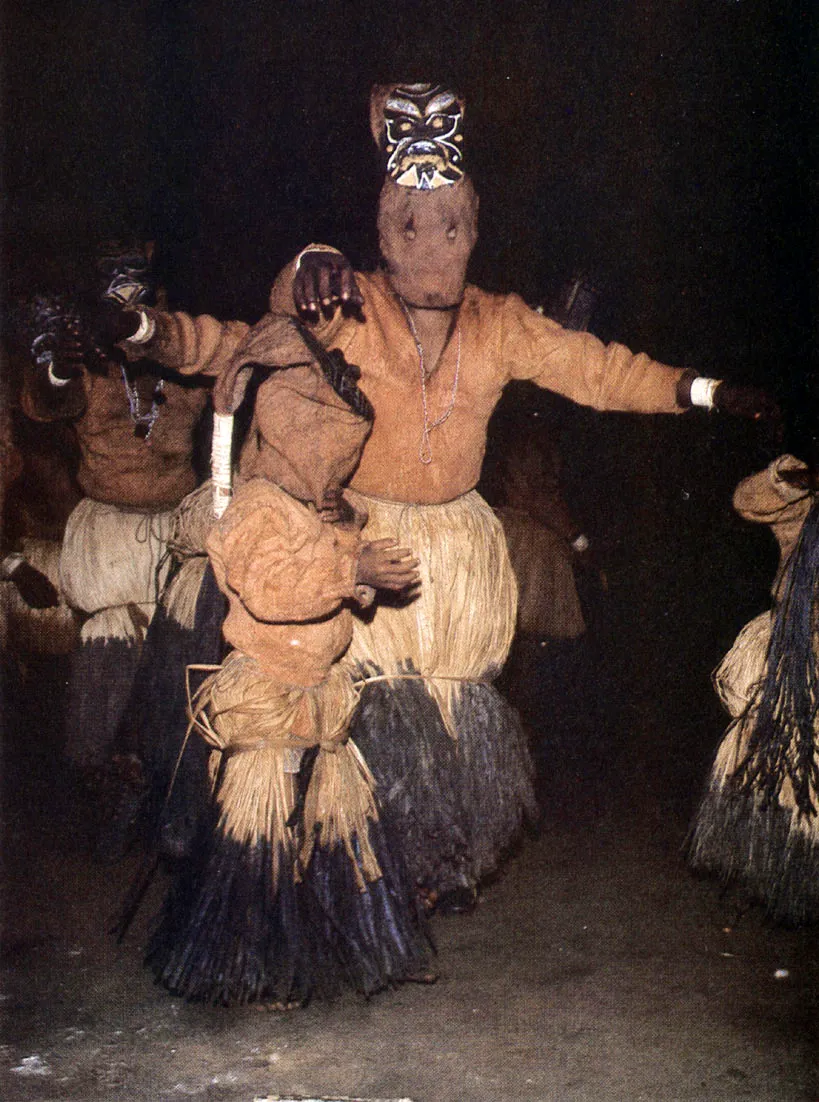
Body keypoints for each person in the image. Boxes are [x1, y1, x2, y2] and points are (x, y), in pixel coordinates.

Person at [96, 80, 777, 912]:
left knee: (448, 708)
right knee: (368, 708)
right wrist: (152, 332)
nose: (431, 247)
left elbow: (599, 369)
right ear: (385, 232)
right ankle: (358, 872)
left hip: (453, 554)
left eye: (450, 227)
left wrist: (702, 390)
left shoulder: (500, 323)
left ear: (472, 231)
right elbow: (241, 343)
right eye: (411, 228)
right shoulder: (347, 304)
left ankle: (431, 864)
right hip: (362, 532)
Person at [147, 316, 431, 1006]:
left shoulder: (330, 511)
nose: (339, 468)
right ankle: (253, 962)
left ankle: (360, 941)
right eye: (332, 453)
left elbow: (338, 579)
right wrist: (348, 568)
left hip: (320, 694)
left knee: (330, 829)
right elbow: (273, 592)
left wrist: (364, 574)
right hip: (269, 695)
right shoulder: (255, 509)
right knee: (265, 838)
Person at [19, 243, 217, 781]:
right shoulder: (88, 369)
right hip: (106, 539)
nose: (123, 317)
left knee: (174, 658)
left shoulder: (184, 367)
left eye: (137, 304)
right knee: (109, 639)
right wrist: (58, 368)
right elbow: (40, 402)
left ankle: (160, 776)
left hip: (177, 533)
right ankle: (98, 772)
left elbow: (226, 362)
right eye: (114, 305)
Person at [688, 452, 819, 924]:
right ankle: (774, 871)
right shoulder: (804, 493)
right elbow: (747, 500)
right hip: (797, 642)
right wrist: (788, 481)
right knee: (777, 766)